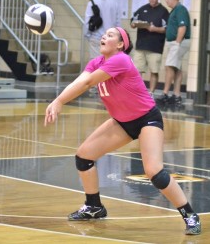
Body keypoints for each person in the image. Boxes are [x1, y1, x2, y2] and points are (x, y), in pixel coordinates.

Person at [44, 27, 201, 235]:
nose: (104, 36)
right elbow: (80, 81)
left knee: (154, 172)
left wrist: (60, 101)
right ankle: (94, 206)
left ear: (120, 45)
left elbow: (89, 82)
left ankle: (190, 214)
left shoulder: (121, 60)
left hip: (147, 119)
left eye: (110, 35)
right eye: (104, 34)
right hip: (122, 122)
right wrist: (58, 99)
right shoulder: (95, 63)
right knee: (84, 157)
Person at [130, 0, 169, 96]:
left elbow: (167, 29)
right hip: (141, 45)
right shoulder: (143, 9)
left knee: (154, 71)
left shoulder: (163, 11)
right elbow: (132, 21)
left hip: (155, 47)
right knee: (137, 70)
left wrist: (155, 29)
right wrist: (133, 24)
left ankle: (151, 92)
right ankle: (138, 91)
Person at [157, 0, 191, 107]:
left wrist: (177, 43)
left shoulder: (180, 9)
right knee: (177, 68)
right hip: (177, 42)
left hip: (179, 42)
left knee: (169, 66)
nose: (166, 1)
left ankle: (165, 93)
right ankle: (177, 96)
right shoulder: (175, 10)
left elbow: (182, 27)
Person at [84, 0, 121, 94]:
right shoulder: (114, 3)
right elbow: (118, 23)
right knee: (109, 63)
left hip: (96, 37)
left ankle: (95, 87)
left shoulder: (92, 3)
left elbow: (87, 22)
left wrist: (87, 35)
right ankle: (107, 86)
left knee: (96, 63)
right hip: (112, 39)